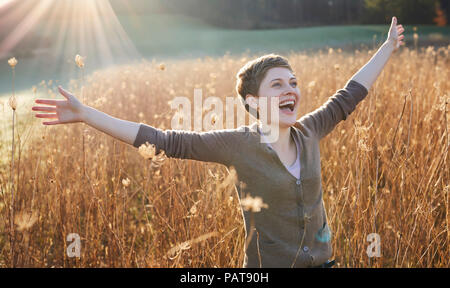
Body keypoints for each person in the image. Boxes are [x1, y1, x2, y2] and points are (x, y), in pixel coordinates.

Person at [32, 17, 405, 267]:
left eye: (293, 82)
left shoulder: (309, 130)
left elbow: (349, 94)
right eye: (277, 84)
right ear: (253, 103)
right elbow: (164, 141)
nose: (291, 89)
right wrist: (87, 114)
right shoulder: (237, 145)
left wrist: (387, 47)